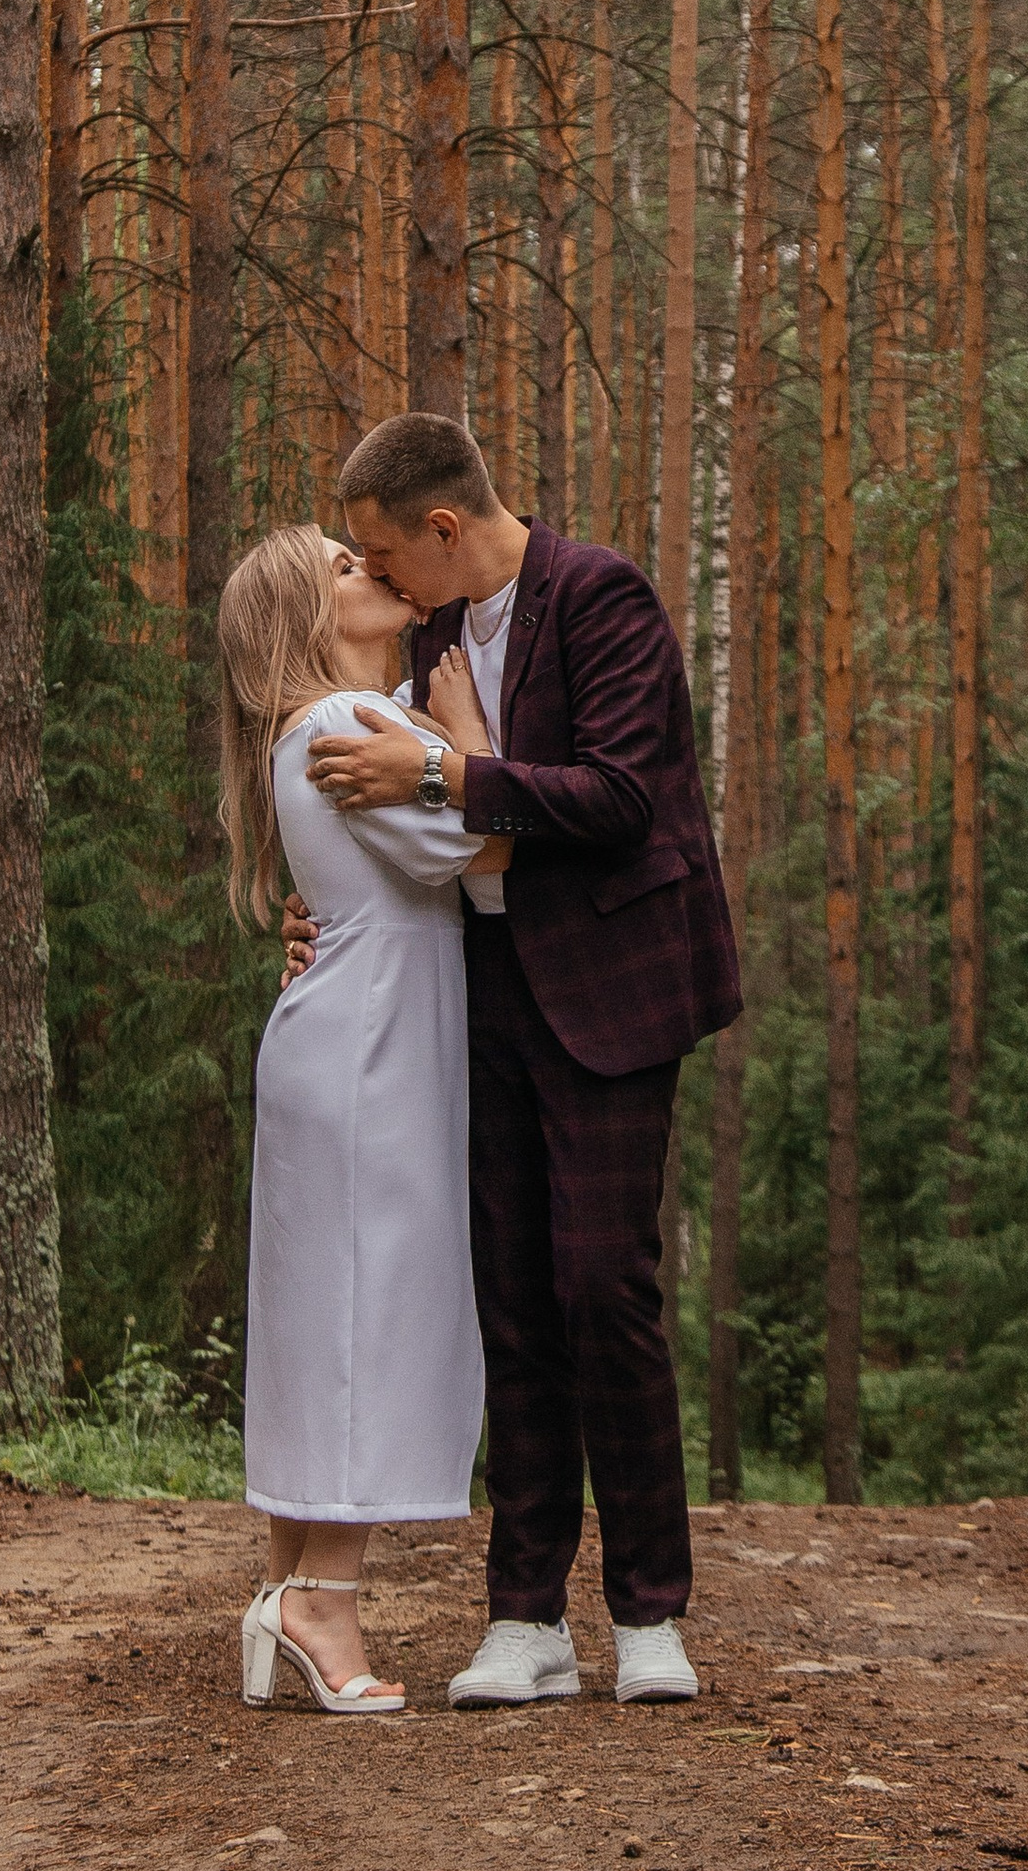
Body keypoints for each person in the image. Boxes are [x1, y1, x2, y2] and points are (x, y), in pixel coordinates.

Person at [290, 413, 741, 1708]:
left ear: (442, 529)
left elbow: (622, 800)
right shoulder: (427, 632)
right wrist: (314, 903)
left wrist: (450, 770)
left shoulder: (599, 599)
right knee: (514, 1304)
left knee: (605, 1289)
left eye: (385, 556)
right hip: (477, 994)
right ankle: (526, 1616)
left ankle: (650, 1615)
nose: (375, 581)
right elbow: (386, 820)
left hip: (610, 990)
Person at [216, 523, 508, 1714]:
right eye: (343, 568)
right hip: (372, 1041)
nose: (372, 570)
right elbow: (479, 858)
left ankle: (290, 1577)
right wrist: (476, 744)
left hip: (352, 1028)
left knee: (326, 1306)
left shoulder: (344, 720)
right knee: (371, 1303)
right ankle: (320, 1597)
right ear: (303, 621)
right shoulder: (344, 727)